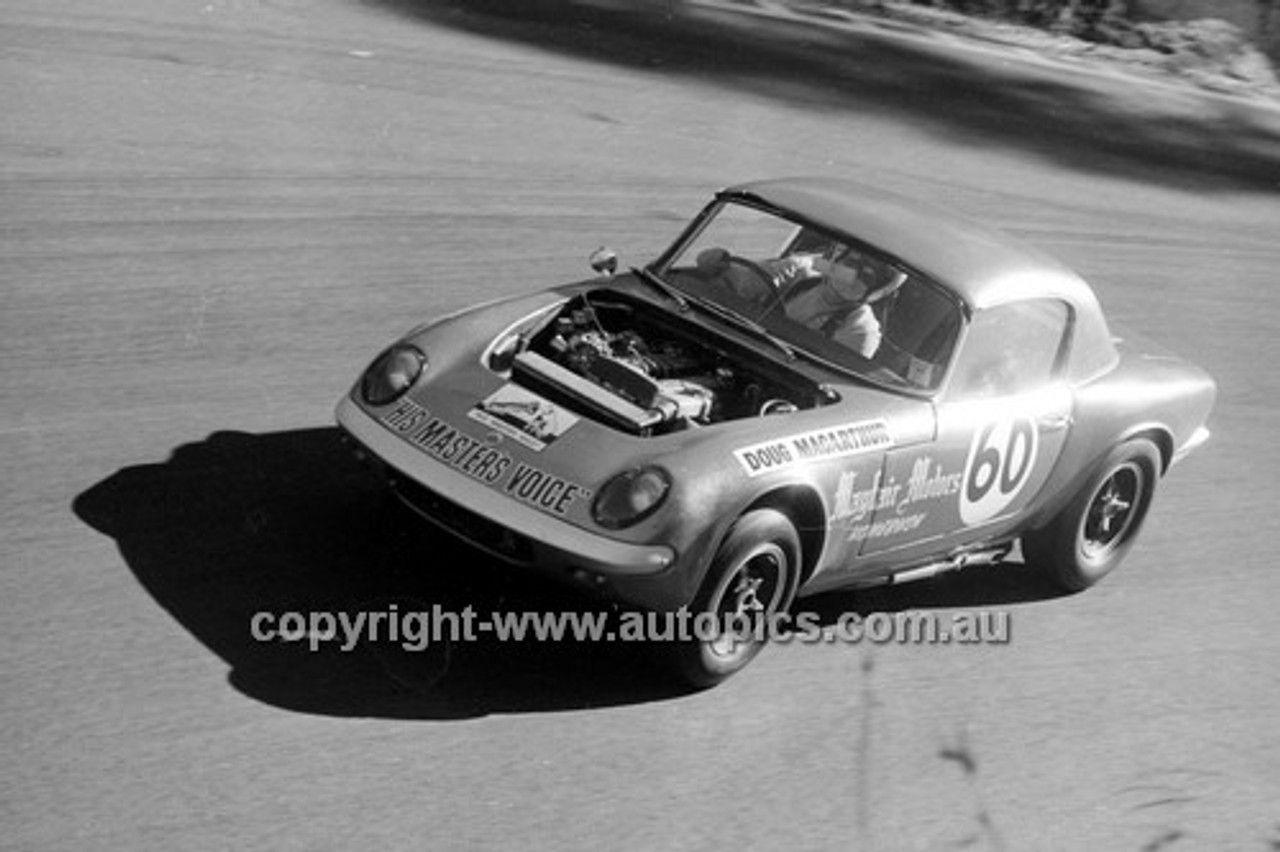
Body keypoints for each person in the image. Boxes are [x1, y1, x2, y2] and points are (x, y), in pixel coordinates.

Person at [780, 252, 906, 358]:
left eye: (866, 277)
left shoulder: (860, 330)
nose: (852, 274)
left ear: (877, 291)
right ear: (839, 259)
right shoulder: (801, 278)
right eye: (851, 263)